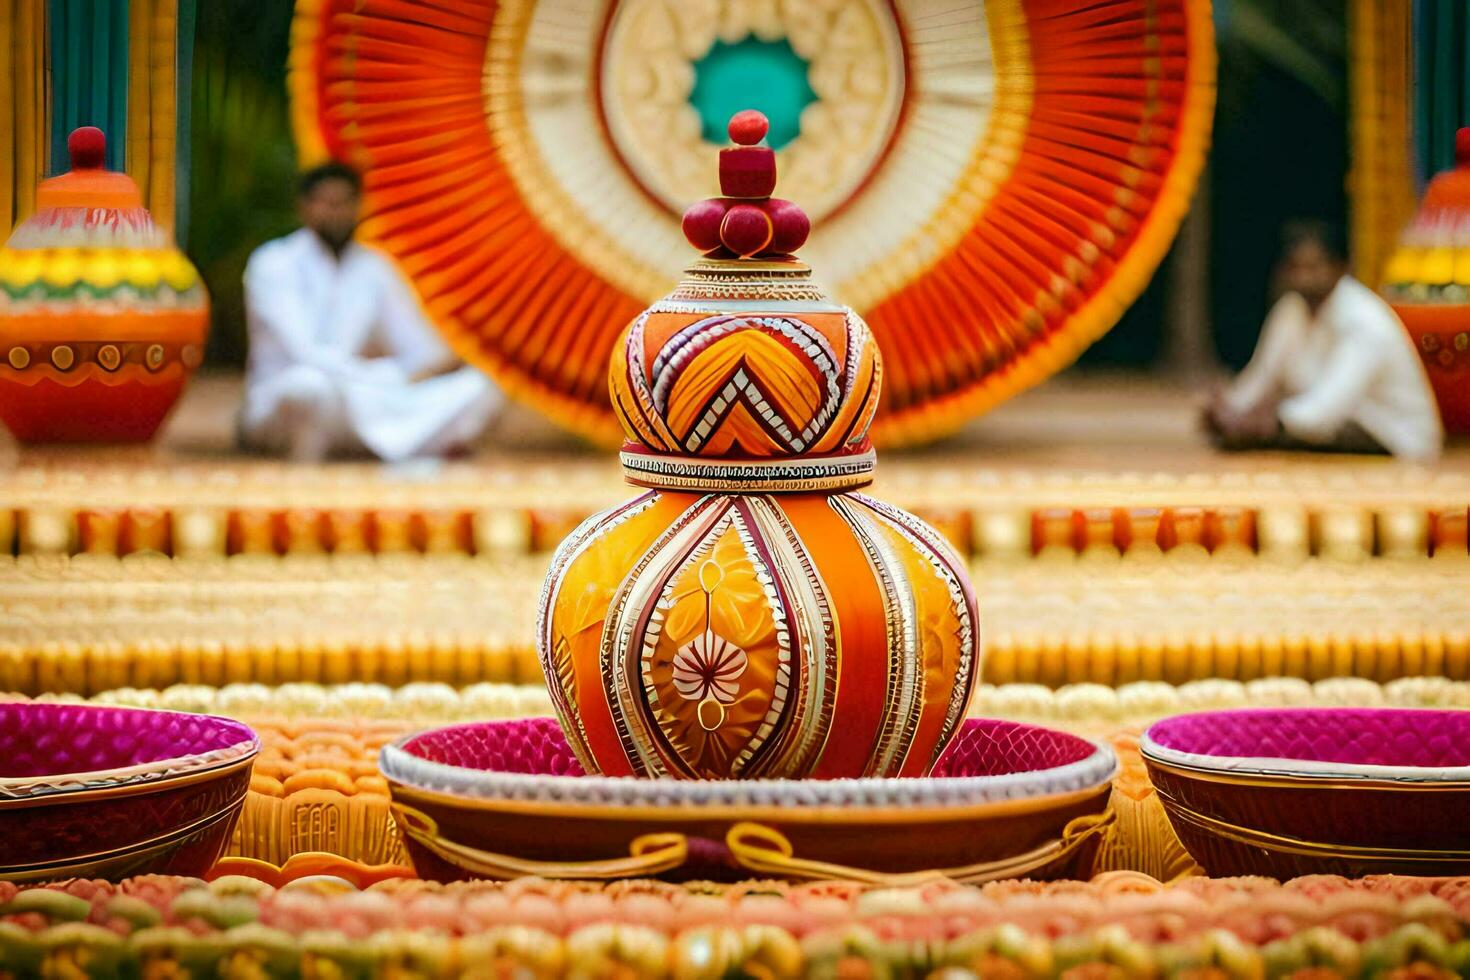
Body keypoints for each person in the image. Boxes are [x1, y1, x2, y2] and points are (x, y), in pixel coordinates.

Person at [240, 161, 500, 462]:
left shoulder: (373, 267)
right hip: (295, 399)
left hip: (363, 399)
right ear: (305, 207)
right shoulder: (273, 263)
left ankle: (379, 442)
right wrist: (381, 378)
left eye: (345, 203)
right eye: (328, 203)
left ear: (359, 206)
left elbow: (417, 349)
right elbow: (305, 353)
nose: (337, 212)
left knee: (481, 387)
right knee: (309, 386)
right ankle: (393, 444)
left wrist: (460, 349)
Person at [1204, 219, 1442, 462]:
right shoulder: (1291, 310)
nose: (1303, 278)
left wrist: (1262, 424)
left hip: (1393, 438)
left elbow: (1323, 414)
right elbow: (1261, 378)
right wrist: (1229, 409)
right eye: (1296, 267)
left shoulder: (1364, 321)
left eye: (1314, 267)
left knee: (1279, 440)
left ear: (1341, 268)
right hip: (1332, 426)